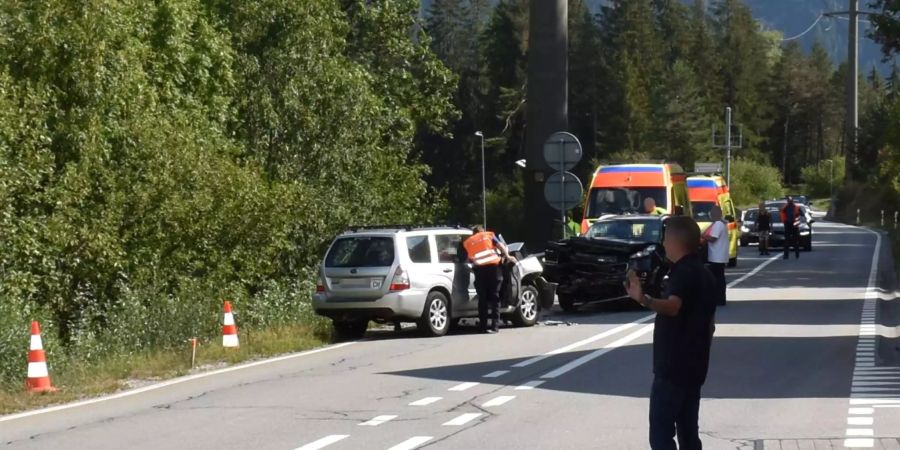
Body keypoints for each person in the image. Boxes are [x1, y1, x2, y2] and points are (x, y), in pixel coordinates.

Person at [625, 215, 717, 450]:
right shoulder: (705, 274)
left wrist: (643, 298)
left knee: (661, 433)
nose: (663, 243)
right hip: (695, 366)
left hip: (673, 367)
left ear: (676, 241)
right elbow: (711, 325)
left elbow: (673, 306)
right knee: (688, 432)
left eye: (665, 238)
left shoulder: (683, 272)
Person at [463, 225, 514, 334]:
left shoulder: (468, 241)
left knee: (483, 298)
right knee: (495, 296)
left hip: (480, 270)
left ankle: (482, 327)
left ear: (473, 233)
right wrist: (508, 256)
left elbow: (468, 258)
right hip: (494, 268)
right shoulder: (489, 235)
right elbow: (500, 245)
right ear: (482, 231)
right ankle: (495, 327)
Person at [701, 205, 728, 307]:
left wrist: (703, 236)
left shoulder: (718, 224)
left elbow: (713, 238)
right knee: (719, 278)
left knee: (716, 279)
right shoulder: (721, 223)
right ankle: (720, 298)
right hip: (720, 255)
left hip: (716, 256)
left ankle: (719, 299)